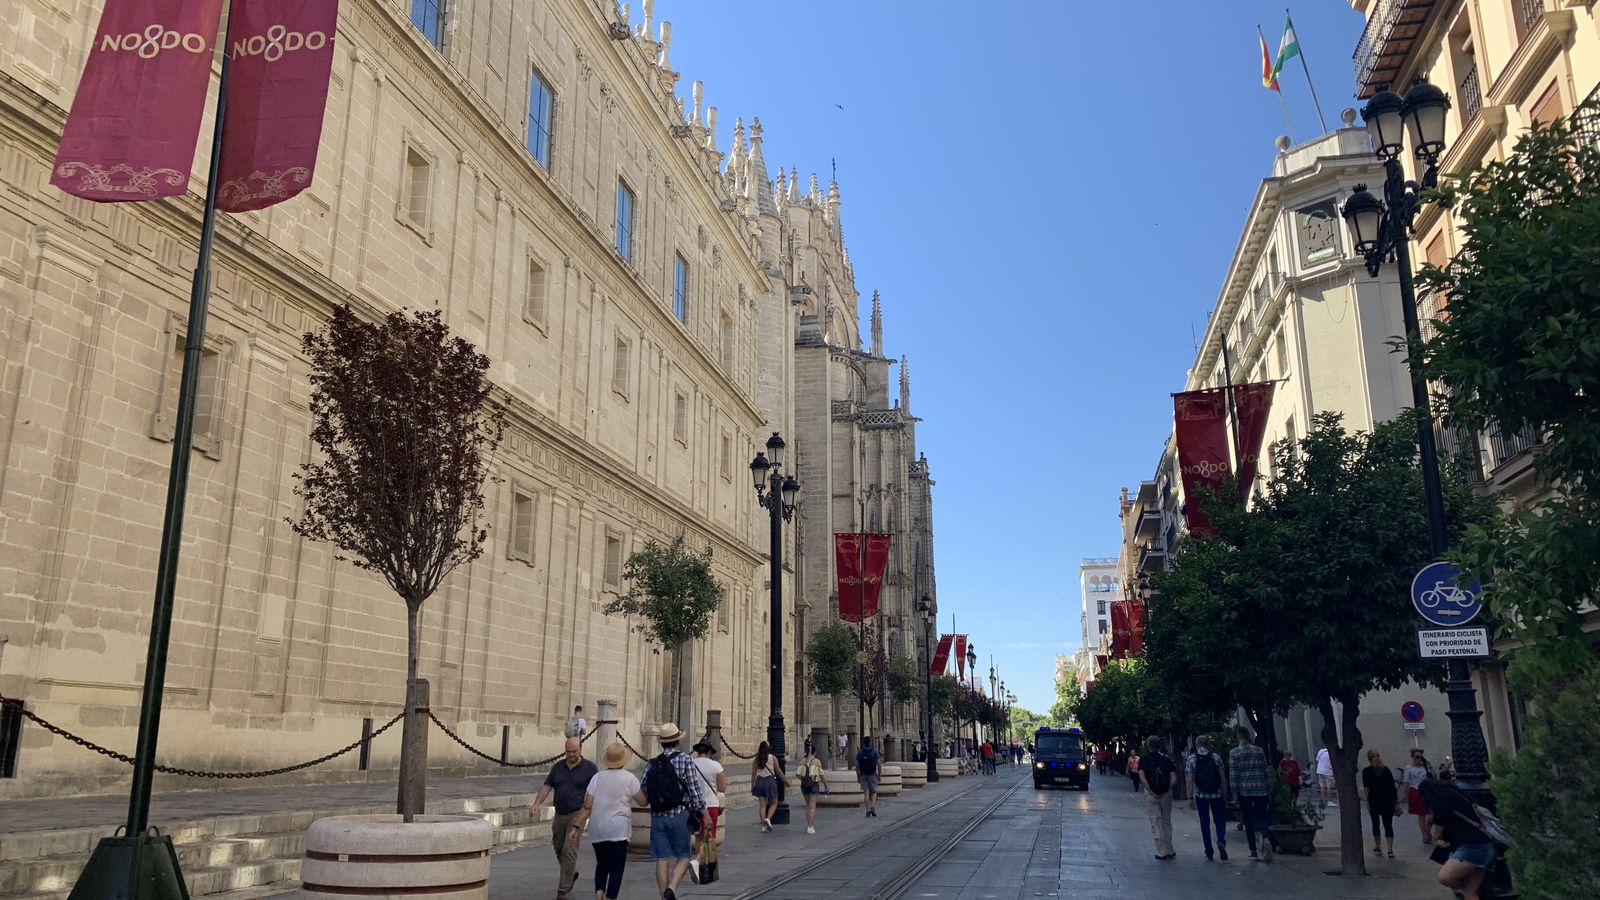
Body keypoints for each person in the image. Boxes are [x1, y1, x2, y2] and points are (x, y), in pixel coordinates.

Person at [640, 723, 704, 900]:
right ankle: (672, 888)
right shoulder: (685, 760)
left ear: (662, 743)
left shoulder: (652, 763)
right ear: (677, 741)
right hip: (679, 815)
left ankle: (663, 897)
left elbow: (642, 787)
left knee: (662, 858)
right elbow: (694, 789)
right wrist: (703, 812)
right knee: (684, 856)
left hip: (658, 816)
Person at [572, 743, 644, 900]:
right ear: (624, 760)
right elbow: (643, 801)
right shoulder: (630, 778)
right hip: (618, 829)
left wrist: (575, 826)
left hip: (598, 827)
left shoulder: (597, 778)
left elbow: (587, 805)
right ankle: (611, 897)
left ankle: (599, 892)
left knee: (602, 864)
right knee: (617, 867)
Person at [533, 736, 599, 900]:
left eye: (574, 751)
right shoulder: (558, 767)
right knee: (559, 848)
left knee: (569, 849)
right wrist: (537, 803)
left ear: (580, 749)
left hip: (577, 814)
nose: (571, 755)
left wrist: (590, 810)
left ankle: (562, 891)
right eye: (568, 752)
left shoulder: (590, 768)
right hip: (560, 814)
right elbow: (548, 785)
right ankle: (571, 873)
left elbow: (596, 790)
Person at [1419, 778, 1496, 900]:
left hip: (1472, 847)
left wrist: (1435, 837)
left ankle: (1461, 889)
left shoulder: (1442, 796)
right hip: (1483, 845)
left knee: (1445, 877)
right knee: (1469, 893)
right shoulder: (1454, 792)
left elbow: (1439, 824)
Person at [1229, 727, 1273, 862]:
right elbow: (1265, 769)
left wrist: (1234, 794)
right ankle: (1265, 838)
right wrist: (1268, 788)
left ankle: (1253, 850)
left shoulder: (1235, 752)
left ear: (1238, 736)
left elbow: (1233, 774)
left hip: (1245, 791)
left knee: (1248, 820)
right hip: (1261, 789)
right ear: (1248, 736)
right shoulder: (1259, 750)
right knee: (1262, 818)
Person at [1185, 735, 1229, 861]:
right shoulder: (1216, 757)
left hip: (1201, 795)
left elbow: (1189, 780)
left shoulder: (1192, 759)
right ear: (1208, 744)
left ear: (1197, 744)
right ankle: (1221, 841)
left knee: (1205, 823)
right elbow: (1222, 778)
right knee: (1220, 820)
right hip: (1216, 794)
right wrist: (1225, 795)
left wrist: (1190, 797)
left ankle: (1209, 850)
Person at [688, 741, 725, 882]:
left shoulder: (691, 763)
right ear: (710, 752)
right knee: (709, 837)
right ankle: (698, 862)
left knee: (698, 837)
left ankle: (699, 867)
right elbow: (722, 788)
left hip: (695, 805)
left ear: (697, 751)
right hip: (711, 805)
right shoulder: (716, 766)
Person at [1139, 737, 1178, 860]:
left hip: (1151, 794)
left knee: (1155, 821)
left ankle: (1162, 851)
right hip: (1166, 794)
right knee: (1166, 820)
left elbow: (1142, 778)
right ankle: (1170, 849)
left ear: (1148, 746)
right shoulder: (1167, 760)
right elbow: (1174, 779)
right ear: (1160, 746)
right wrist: (1166, 789)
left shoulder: (1144, 760)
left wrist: (1151, 791)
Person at [1361, 749, 1398, 858]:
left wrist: (1366, 800)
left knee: (1375, 823)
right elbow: (1392, 787)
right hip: (1387, 801)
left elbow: (1366, 787)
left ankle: (1378, 846)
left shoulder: (1367, 771)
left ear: (1368, 758)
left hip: (1374, 800)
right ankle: (1390, 850)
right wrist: (1395, 801)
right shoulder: (1386, 770)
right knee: (1388, 824)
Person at [750, 740, 785, 831]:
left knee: (762, 805)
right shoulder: (772, 758)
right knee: (774, 802)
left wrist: (752, 785)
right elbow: (778, 771)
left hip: (759, 781)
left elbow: (753, 774)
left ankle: (763, 826)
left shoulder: (756, 760)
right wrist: (785, 780)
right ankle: (768, 818)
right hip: (770, 781)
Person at [1403, 748, 1434, 842]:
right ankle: (1425, 835)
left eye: (1420, 757)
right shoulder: (1409, 768)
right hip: (1416, 791)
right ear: (1412, 757)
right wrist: (1406, 793)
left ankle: (1428, 831)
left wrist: (1430, 768)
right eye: (1416, 757)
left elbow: (1433, 777)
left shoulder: (1425, 767)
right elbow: (1406, 781)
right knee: (1421, 815)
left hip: (1427, 791)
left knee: (1431, 815)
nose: (1419, 759)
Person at [798, 745, 828, 833]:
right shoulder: (817, 761)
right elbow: (821, 775)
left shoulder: (802, 761)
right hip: (814, 784)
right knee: (812, 806)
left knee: (807, 805)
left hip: (804, 785)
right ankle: (810, 826)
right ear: (814, 752)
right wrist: (826, 785)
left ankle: (808, 824)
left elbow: (799, 774)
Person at [857, 736, 883, 816]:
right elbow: (879, 764)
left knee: (866, 793)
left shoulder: (860, 752)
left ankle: (867, 810)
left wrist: (858, 775)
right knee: (874, 792)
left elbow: (857, 766)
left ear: (863, 743)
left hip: (863, 775)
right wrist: (879, 775)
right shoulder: (874, 752)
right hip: (872, 774)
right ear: (870, 742)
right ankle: (873, 807)